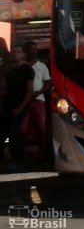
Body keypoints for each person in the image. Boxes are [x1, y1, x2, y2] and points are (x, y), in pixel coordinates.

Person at [0, 44, 35, 172]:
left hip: (19, 105)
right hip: (7, 104)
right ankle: (4, 160)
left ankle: (18, 162)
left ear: (23, 54)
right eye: (13, 51)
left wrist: (21, 107)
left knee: (14, 134)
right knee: (2, 132)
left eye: (18, 52)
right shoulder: (6, 68)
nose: (15, 54)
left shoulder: (27, 70)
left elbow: (30, 91)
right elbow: (4, 88)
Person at [23, 40, 51, 162]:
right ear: (26, 51)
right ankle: (22, 155)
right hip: (24, 100)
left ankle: (42, 155)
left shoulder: (42, 66)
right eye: (30, 49)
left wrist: (39, 92)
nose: (33, 51)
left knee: (41, 128)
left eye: (35, 49)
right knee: (23, 129)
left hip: (38, 100)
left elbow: (48, 82)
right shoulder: (22, 66)